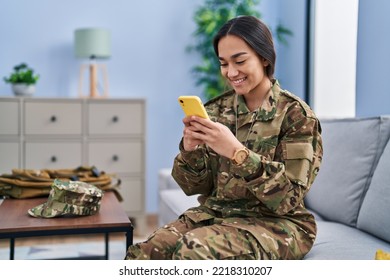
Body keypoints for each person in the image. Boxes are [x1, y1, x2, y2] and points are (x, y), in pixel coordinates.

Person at [125, 15, 323, 260]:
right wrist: (190, 150)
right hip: (217, 214)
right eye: (223, 63)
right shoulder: (216, 111)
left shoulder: (297, 116)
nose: (231, 72)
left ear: (264, 58)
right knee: (144, 253)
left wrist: (236, 152)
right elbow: (192, 187)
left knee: (194, 251)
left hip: (277, 224)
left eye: (239, 61)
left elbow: (287, 200)